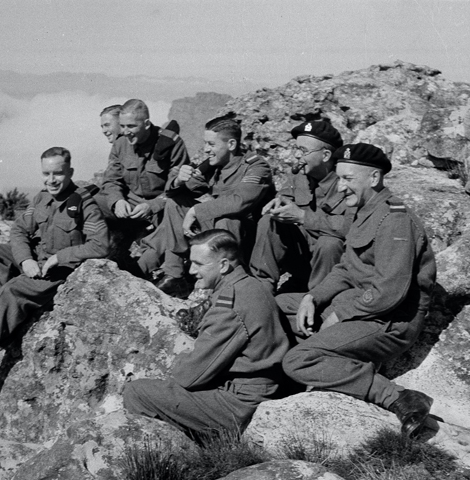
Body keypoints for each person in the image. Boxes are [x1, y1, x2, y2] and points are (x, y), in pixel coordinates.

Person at [278, 143, 436, 438]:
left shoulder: (394, 219)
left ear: (374, 178)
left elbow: (390, 291)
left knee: (298, 360)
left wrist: (341, 313)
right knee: (277, 306)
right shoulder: (365, 211)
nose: (340, 187)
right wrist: (314, 298)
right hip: (364, 307)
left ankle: (399, 397)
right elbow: (346, 268)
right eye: (339, 178)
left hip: (390, 321)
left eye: (348, 179)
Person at [0, 147, 109, 378]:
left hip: (59, 272)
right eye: (46, 174)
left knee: (12, 289)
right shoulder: (42, 198)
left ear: (70, 172)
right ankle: (8, 320)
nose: (51, 180)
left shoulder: (83, 204)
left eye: (58, 174)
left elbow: (100, 245)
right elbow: (19, 229)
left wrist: (59, 257)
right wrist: (25, 259)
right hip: (36, 260)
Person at [124, 229, 289, 440]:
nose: (191, 270)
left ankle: (166, 458)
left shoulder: (229, 305)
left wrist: (178, 359)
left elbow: (189, 377)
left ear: (223, 266)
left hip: (240, 404)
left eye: (199, 264)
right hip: (262, 389)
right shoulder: (252, 284)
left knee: (137, 392)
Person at [137, 116, 274, 297]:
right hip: (218, 233)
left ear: (231, 144)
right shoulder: (213, 166)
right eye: (205, 144)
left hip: (246, 240)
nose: (206, 149)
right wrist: (178, 179)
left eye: (211, 144)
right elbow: (176, 194)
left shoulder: (256, 166)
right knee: (175, 204)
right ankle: (174, 275)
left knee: (227, 219)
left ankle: (226, 281)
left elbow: (240, 202)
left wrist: (196, 211)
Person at [249, 120, 353, 294]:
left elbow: (352, 227)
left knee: (329, 243)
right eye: (296, 149)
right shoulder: (299, 176)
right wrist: (278, 205)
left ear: (326, 155)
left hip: (334, 268)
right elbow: (284, 196)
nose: (296, 156)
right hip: (304, 260)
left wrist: (303, 217)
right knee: (269, 222)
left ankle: (320, 300)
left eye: (303, 151)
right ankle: (261, 290)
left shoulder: (347, 183)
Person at [96, 99, 190, 227]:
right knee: (88, 204)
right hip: (132, 205)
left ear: (146, 124)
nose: (125, 132)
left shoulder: (171, 144)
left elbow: (178, 188)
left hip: (161, 206)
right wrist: (117, 201)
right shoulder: (120, 144)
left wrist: (153, 206)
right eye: (122, 126)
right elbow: (111, 180)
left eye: (131, 126)